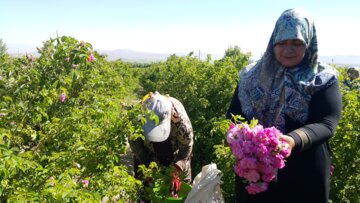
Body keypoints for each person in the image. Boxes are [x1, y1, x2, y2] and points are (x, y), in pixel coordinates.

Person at [226, 8, 342, 203]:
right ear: (273, 43)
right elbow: (234, 115)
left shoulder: (323, 78)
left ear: (308, 43)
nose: (288, 49)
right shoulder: (251, 76)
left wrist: (292, 140)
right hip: (256, 168)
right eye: (282, 42)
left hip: (305, 170)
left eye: (296, 43)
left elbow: (327, 122)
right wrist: (244, 140)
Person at [129, 91, 194, 184]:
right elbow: (135, 143)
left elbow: (186, 146)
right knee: (144, 188)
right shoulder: (137, 119)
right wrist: (147, 165)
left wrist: (178, 166)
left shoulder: (181, 122)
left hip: (175, 154)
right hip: (149, 153)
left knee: (181, 186)